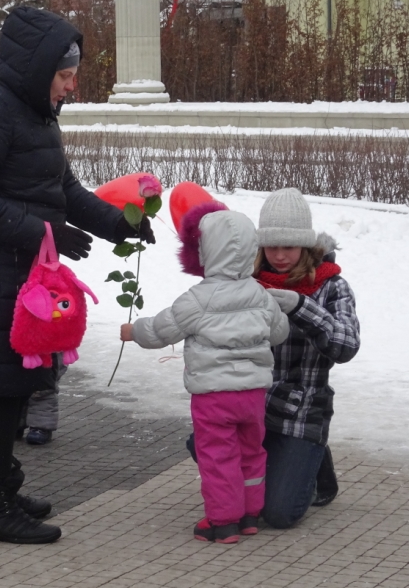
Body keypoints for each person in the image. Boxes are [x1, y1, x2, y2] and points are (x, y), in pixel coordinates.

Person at [0, 5, 154, 545]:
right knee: (5, 389)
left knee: (19, 384)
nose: (71, 87)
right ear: (37, 70)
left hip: (18, 277)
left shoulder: (34, 115)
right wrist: (42, 235)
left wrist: (119, 226)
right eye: (65, 75)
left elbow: (64, 192)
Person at [121, 207, 290, 544]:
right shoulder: (260, 294)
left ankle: (223, 521)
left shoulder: (197, 299)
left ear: (206, 252)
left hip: (214, 395)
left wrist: (133, 330)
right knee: (251, 451)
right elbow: (279, 333)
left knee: (218, 456)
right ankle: (249, 513)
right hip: (253, 394)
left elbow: (160, 331)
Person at [254, 188, 361, 529]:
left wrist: (301, 307)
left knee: (278, 514)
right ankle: (291, 459)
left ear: (306, 245)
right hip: (253, 403)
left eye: (289, 246)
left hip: (302, 407)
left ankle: (316, 466)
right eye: (272, 246)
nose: (280, 256)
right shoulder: (249, 279)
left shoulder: (333, 286)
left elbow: (346, 346)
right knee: (204, 443)